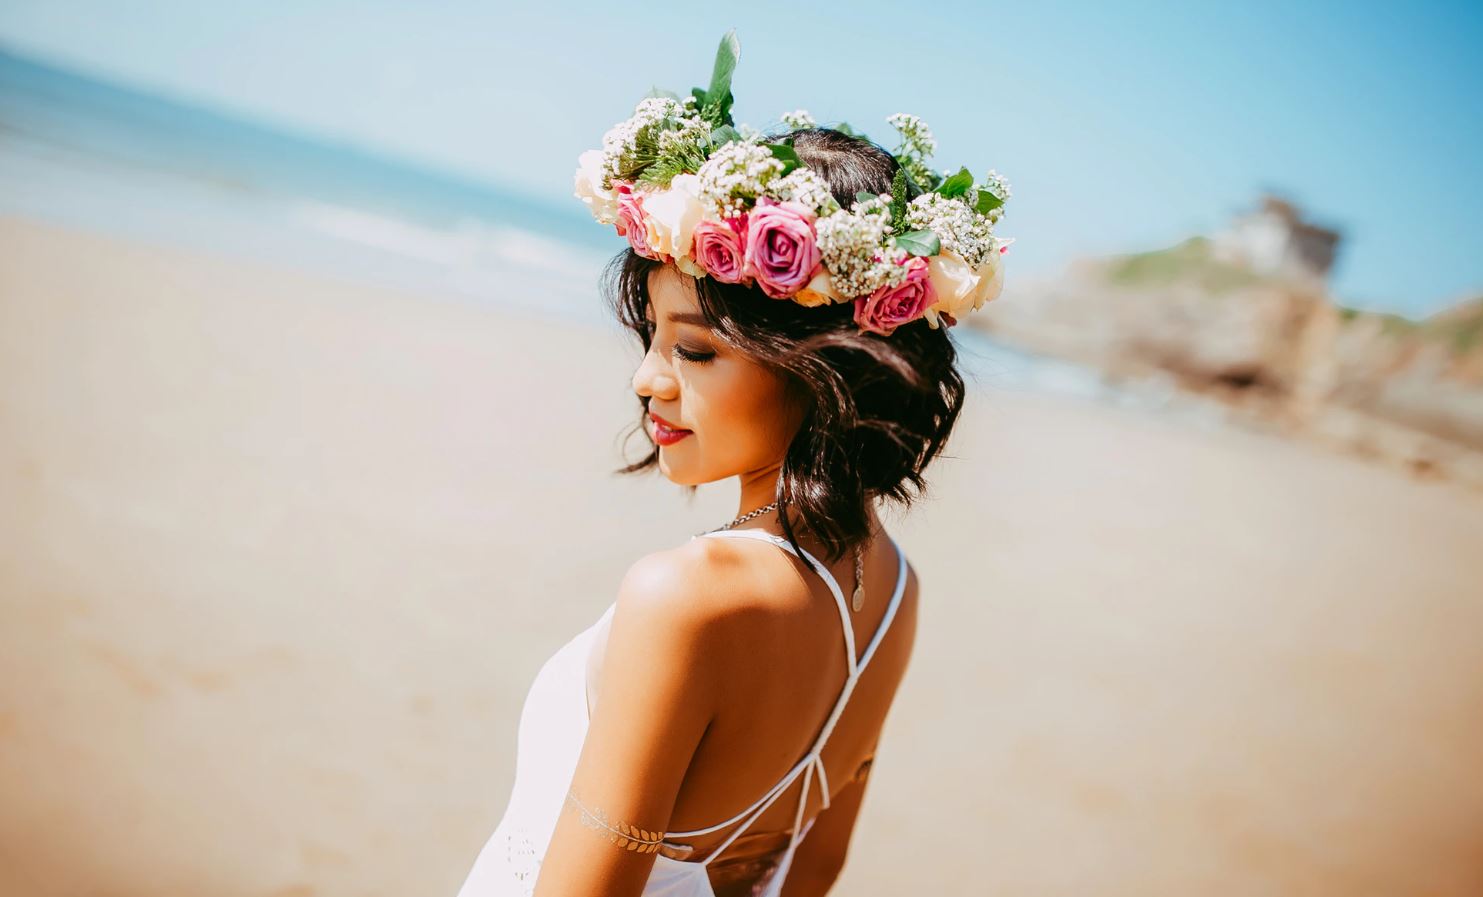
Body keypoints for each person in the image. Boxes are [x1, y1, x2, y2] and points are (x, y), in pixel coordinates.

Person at [455, 30, 1011, 897]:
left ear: (820, 366)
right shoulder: (893, 590)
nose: (647, 382)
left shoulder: (687, 595)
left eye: (695, 352)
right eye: (650, 340)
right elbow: (812, 871)